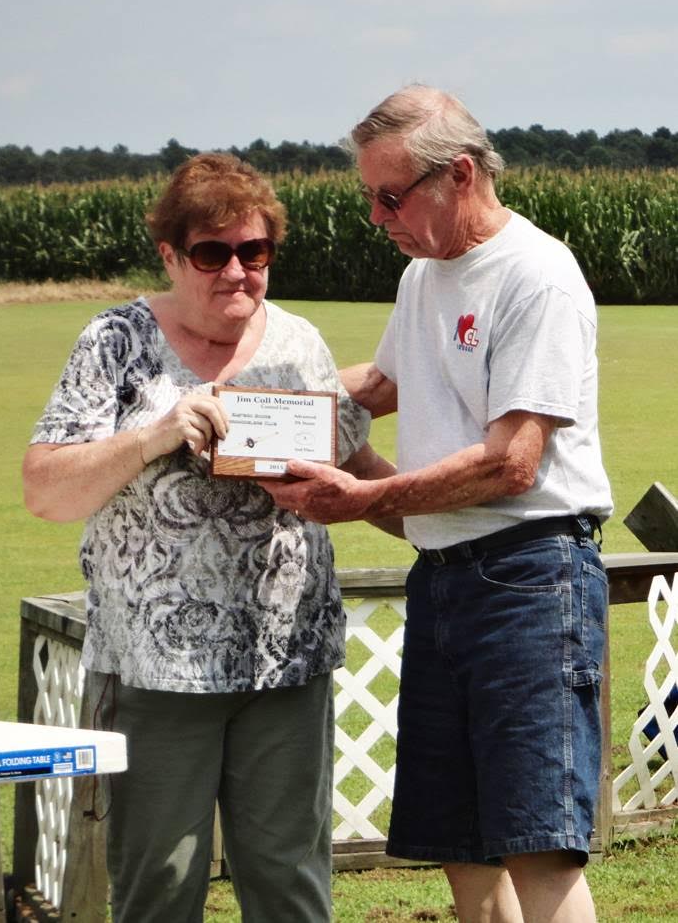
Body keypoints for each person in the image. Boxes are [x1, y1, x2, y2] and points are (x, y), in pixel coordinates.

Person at [260, 85, 614, 923]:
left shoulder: (537, 276)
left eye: (390, 197)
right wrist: (253, 407)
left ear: (458, 174)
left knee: (538, 843)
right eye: (369, 197)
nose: (375, 217)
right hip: (446, 577)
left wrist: (362, 497)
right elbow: (383, 385)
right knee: (462, 847)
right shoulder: (424, 275)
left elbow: (512, 462)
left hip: (532, 579)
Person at [22, 152, 395, 923]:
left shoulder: (299, 343)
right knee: (159, 888)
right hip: (156, 672)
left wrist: (458, 523)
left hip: (285, 665)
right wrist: (155, 435)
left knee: (291, 887)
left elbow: (356, 466)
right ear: (169, 255)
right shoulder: (115, 342)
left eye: (254, 251)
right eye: (211, 253)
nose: (236, 271)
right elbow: (45, 490)